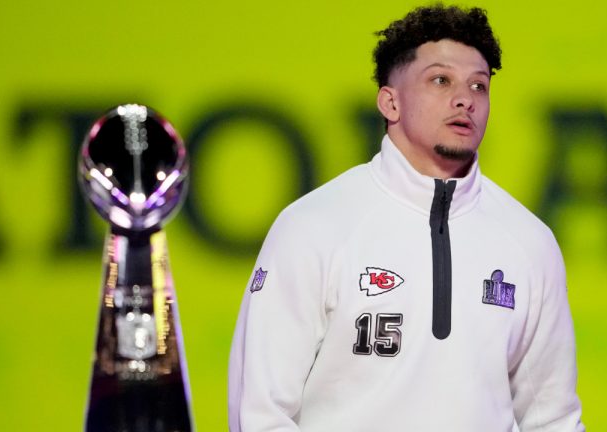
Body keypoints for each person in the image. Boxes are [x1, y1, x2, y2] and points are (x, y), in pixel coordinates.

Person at [228, 3, 584, 431]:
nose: (464, 99)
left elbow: (553, 419)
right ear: (390, 102)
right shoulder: (313, 227)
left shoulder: (529, 242)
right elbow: (261, 414)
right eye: (440, 80)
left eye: (479, 86)